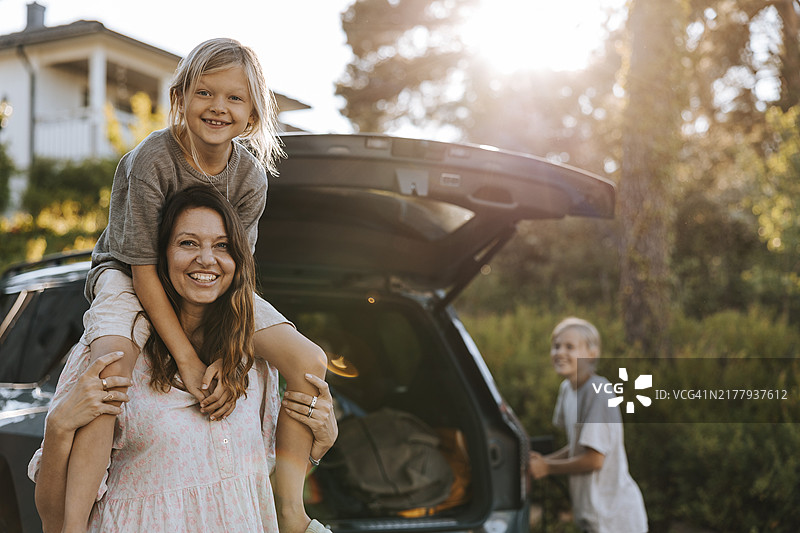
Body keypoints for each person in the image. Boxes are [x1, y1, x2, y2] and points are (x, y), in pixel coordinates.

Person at [64, 38, 327, 533]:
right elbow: (144, 266)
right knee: (112, 368)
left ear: (252, 114)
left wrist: (229, 356)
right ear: (181, 97)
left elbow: (238, 274)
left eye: (234, 98)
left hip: (210, 279)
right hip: (126, 269)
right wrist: (188, 357)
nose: (218, 107)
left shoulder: (250, 175)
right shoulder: (153, 159)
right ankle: (73, 525)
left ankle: (291, 509)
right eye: (206, 93)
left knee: (309, 361)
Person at [30, 187, 335, 533]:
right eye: (188, 243)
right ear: (157, 256)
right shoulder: (113, 354)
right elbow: (54, 521)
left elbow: (255, 489)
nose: (207, 259)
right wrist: (57, 427)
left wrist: (316, 449)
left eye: (222, 246)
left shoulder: (251, 363)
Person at [528, 317, 648, 533]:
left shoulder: (598, 392)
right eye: (556, 346)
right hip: (591, 515)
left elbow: (594, 459)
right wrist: (540, 463)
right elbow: (577, 448)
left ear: (591, 354)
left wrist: (547, 467)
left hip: (614, 518)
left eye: (570, 347)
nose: (559, 352)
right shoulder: (567, 390)